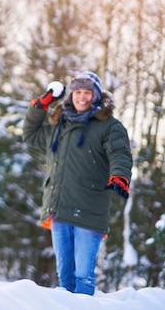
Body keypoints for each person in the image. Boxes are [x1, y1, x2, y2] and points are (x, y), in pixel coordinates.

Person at [22, 71, 132, 295]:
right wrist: (40, 105)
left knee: (83, 276)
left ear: (97, 96)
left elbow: (120, 153)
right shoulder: (58, 126)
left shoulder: (109, 126)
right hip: (59, 208)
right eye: (78, 92)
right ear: (70, 95)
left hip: (89, 209)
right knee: (65, 276)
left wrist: (120, 175)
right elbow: (30, 136)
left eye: (88, 93)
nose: (82, 97)